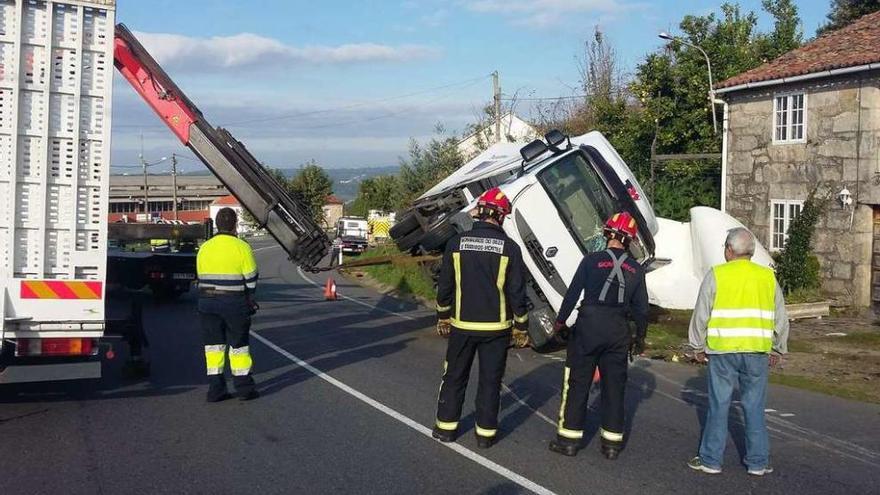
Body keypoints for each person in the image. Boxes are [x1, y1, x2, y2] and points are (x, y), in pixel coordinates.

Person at [433, 187, 530, 449]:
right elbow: (517, 292)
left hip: (462, 326)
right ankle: (485, 435)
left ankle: (445, 429)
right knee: (490, 381)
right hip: (496, 329)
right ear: (500, 216)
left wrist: (443, 316)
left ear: (479, 212)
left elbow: (445, 287)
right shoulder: (510, 249)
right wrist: (521, 327)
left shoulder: (456, 244)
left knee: (454, 376)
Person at [687, 227, 789, 476]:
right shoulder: (767, 277)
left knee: (719, 405)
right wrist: (778, 348)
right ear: (751, 252)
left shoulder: (717, 275)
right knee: (754, 406)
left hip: (723, 352)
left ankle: (711, 460)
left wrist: (697, 346)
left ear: (730, 250)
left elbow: (702, 313)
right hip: (757, 352)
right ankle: (758, 462)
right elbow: (781, 317)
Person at [549, 211, 648, 460]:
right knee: (614, 388)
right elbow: (641, 309)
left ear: (607, 234)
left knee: (578, 383)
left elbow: (572, 294)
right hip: (618, 330)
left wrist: (560, 322)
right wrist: (640, 338)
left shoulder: (591, 260)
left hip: (588, 328)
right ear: (630, 241)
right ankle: (612, 445)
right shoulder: (636, 270)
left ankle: (568, 441)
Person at [197, 207, 260, 402]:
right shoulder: (241, 247)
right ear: (235, 225)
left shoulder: (205, 247)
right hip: (234, 303)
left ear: (217, 224)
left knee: (213, 347)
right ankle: (244, 388)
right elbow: (251, 278)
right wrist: (249, 297)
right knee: (238, 345)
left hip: (207, 302)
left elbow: (199, 276)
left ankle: (216, 390)